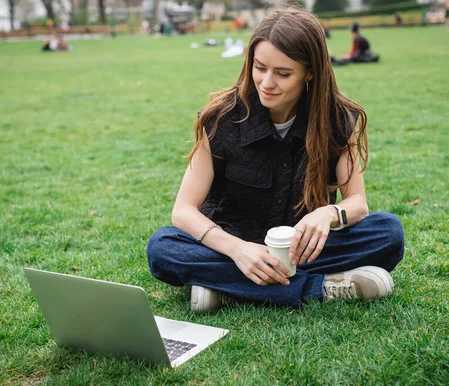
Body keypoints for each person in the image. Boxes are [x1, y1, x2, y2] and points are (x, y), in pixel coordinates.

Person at [147, 8, 404, 312]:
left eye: (283, 74)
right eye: (259, 67)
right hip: (231, 246)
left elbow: (358, 204)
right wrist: (239, 250)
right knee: (163, 248)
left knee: (388, 232)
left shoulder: (338, 119)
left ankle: (227, 290)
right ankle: (320, 288)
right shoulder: (220, 118)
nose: (267, 82)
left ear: (310, 72)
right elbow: (183, 212)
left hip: (304, 250)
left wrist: (329, 214)